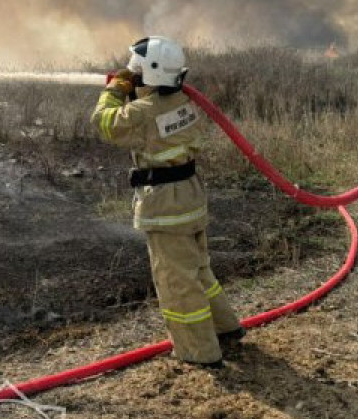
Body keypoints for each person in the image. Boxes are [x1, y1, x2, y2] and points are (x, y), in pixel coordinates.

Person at [91, 36, 245, 366]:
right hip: (190, 195)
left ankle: (198, 351)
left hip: (165, 205)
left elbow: (103, 123)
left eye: (135, 71)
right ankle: (224, 327)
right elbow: (156, 115)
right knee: (198, 269)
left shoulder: (143, 112)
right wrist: (135, 89)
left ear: (150, 72)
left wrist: (115, 90)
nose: (131, 76)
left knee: (176, 281)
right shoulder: (182, 101)